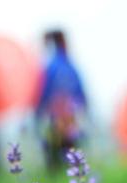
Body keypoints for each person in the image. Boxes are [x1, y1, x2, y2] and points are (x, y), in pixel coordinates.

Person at [35, 30, 87, 170]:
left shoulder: (50, 67)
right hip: (70, 119)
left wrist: (38, 112)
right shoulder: (70, 65)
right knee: (72, 155)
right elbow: (81, 93)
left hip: (55, 120)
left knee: (54, 158)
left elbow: (42, 93)